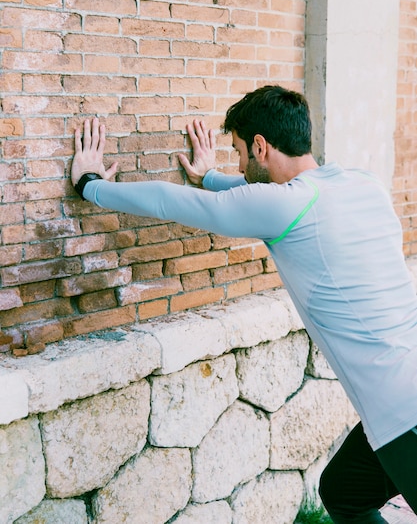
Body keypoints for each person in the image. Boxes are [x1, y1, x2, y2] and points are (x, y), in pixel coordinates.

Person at [71, 85, 417, 522]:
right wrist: (211, 177)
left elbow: (169, 200)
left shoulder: (286, 206)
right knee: (344, 491)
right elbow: (254, 190)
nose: (237, 164)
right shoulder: (364, 184)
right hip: (403, 394)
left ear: (260, 145)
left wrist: (91, 185)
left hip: (403, 415)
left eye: (238, 152)